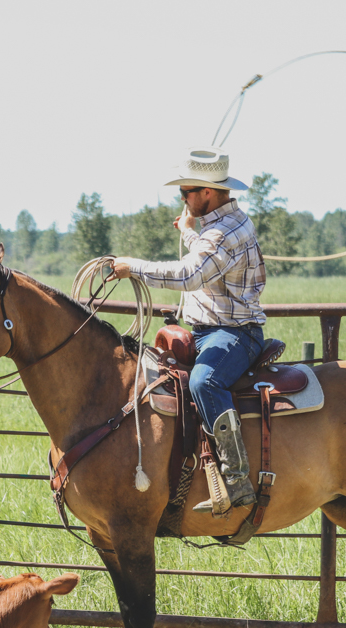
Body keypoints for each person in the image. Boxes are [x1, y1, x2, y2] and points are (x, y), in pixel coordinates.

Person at [108, 147, 266, 515]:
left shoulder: (223, 232)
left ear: (207, 193)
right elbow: (211, 259)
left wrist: (133, 267)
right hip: (211, 330)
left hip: (234, 333)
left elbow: (191, 275)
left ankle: (237, 477)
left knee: (204, 383)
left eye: (186, 193)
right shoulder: (225, 225)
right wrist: (191, 233)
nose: (183, 199)